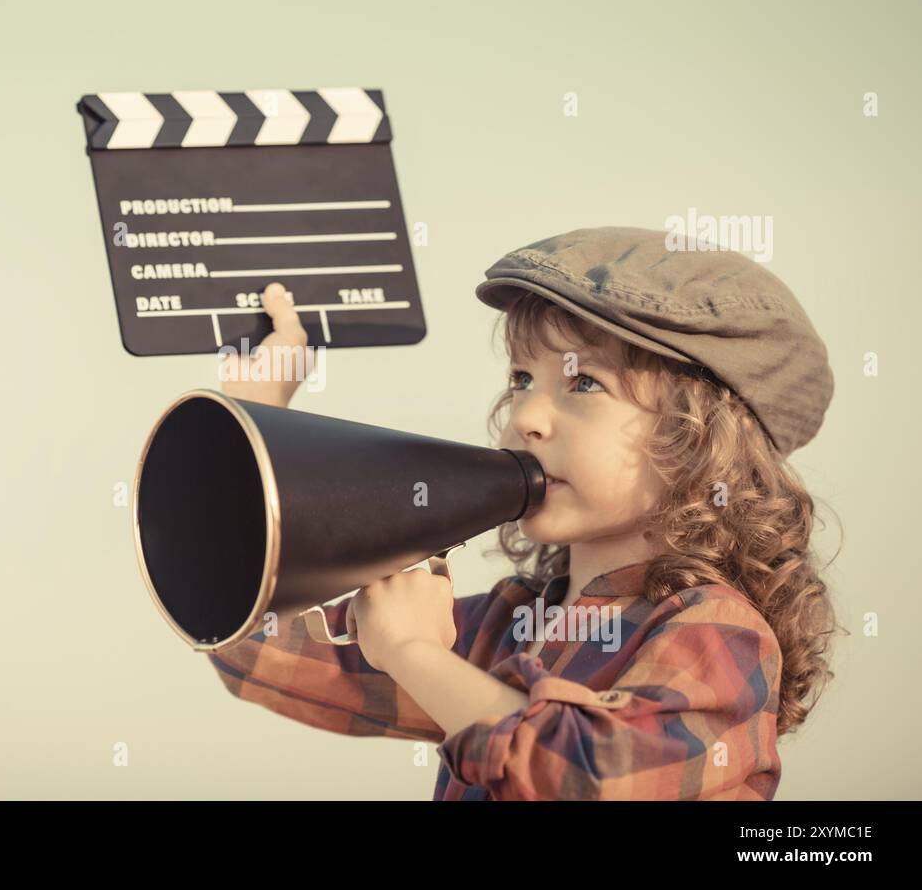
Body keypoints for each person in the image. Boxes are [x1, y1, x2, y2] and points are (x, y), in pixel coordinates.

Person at [206, 226, 843, 800]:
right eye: (520, 379)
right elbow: (259, 651)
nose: (525, 419)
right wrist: (262, 434)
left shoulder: (716, 631)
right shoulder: (509, 624)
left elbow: (586, 778)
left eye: (584, 384)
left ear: (700, 440)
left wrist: (410, 650)